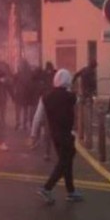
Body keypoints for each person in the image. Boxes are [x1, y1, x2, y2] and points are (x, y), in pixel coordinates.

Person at [31, 69, 83, 204]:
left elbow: (37, 117)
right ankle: (47, 188)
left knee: (65, 160)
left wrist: (33, 134)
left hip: (54, 134)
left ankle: (71, 191)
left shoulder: (45, 97)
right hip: (66, 133)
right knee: (65, 160)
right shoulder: (71, 97)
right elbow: (79, 103)